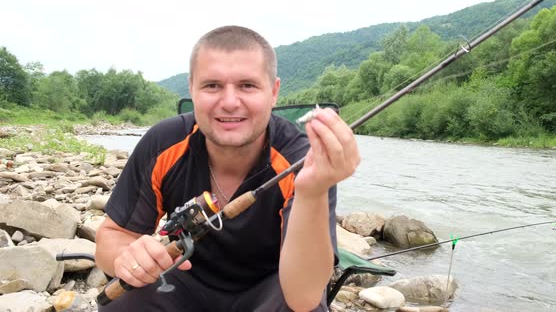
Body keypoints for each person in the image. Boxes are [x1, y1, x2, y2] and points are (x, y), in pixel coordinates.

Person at [95, 25, 360, 311]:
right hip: (182, 284)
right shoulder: (164, 142)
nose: (230, 102)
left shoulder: (304, 160)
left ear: (273, 92)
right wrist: (127, 257)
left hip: (273, 288)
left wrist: (313, 191)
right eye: (212, 86)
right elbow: (113, 237)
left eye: (247, 85)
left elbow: (303, 297)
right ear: (192, 89)